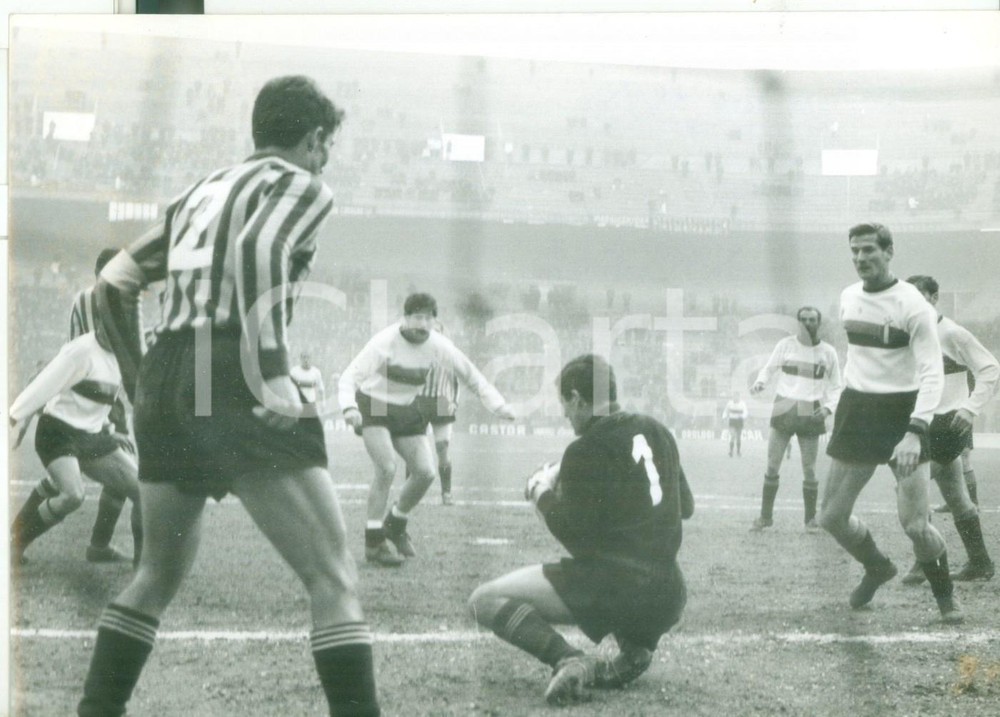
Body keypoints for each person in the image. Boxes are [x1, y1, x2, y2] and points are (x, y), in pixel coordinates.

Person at [76, 76, 380, 716]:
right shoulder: (295, 183)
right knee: (333, 578)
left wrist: (139, 383)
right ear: (313, 137)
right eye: (324, 146)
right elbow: (260, 245)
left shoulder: (200, 191)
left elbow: (111, 285)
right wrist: (270, 370)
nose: (324, 161)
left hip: (166, 375)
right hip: (231, 372)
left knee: (154, 575)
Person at [469, 355, 694, 705]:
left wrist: (540, 492)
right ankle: (635, 649)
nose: (564, 414)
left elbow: (576, 537)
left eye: (565, 404)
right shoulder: (658, 430)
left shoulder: (585, 448)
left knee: (483, 600)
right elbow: (687, 507)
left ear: (576, 397)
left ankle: (569, 658)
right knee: (626, 556)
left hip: (619, 591)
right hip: (668, 594)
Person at [818, 223, 960, 623]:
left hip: (903, 414)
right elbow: (858, 355)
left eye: (868, 250)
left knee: (915, 525)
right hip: (858, 410)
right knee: (830, 516)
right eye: (854, 252)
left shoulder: (913, 304)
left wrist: (915, 431)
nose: (861, 258)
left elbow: (932, 373)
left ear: (889, 251)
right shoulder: (848, 297)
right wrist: (848, 397)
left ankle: (946, 598)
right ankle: (878, 566)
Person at [338, 293, 516, 567]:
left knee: (426, 472)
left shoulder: (438, 344)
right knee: (386, 468)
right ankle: (373, 541)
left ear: (434, 320)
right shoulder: (384, 342)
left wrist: (499, 406)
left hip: (407, 406)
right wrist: (349, 408)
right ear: (405, 318)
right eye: (417, 317)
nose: (423, 324)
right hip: (375, 404)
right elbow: (349, 376)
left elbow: (472, 376)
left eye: (428, 318)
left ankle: (395, 523)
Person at [8, 317, 142, 568]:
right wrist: (14, 419)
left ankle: (144, 568)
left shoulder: (122, 357)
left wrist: (110, 430)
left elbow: (101, 403)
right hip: (57, 432)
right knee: (72, 495)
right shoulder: (79, 351)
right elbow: (39, 385)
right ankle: (13, 546)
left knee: (142, 492)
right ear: (102, 324)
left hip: (91, 437)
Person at [899, 275, 997, 585]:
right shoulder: (910, 334)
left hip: (947, 421)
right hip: (921, 421)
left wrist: (970, 408)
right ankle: (980, 562)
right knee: (955, 495)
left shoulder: (953, 333)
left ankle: (924, 560)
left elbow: (990, 368)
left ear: (935, 296)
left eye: (921, 295)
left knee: (911, 489)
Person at [750, 306, 842, 531]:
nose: (808, 323)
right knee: (772, 465)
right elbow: (769, 369)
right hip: (785, 405)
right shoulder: (785, 345)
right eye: (803, 320)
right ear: (798, 323)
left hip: (810, 408)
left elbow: (837, 386)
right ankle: (765, 517)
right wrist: (761, 382)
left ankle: (810, 520)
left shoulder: (828, 352)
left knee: (809, 468)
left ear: (818, 323)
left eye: (812, 320)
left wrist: (829, 408)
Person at [413, 320, 460, 506]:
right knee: (414, 449)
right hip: (420, 400)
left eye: (438, 331)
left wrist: (455, 401)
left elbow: (455, 380)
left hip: (442, 401)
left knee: (442, 448)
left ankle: (446, 494)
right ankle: (413, 495)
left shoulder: (450, 353)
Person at [722, 391, 748, 456]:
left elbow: (746, 412)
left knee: (738, 437)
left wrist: (742, 416)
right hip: (732, 421)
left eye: (737, 396)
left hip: (739, 422)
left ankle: (738, 451)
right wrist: (724, 417)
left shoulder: (742, 404)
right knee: (733, 436)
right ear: (733, 397)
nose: (735, 398)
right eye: (734, 396)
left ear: (739, 397)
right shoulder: (729, 403)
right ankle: (731, 451)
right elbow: (726, 411)